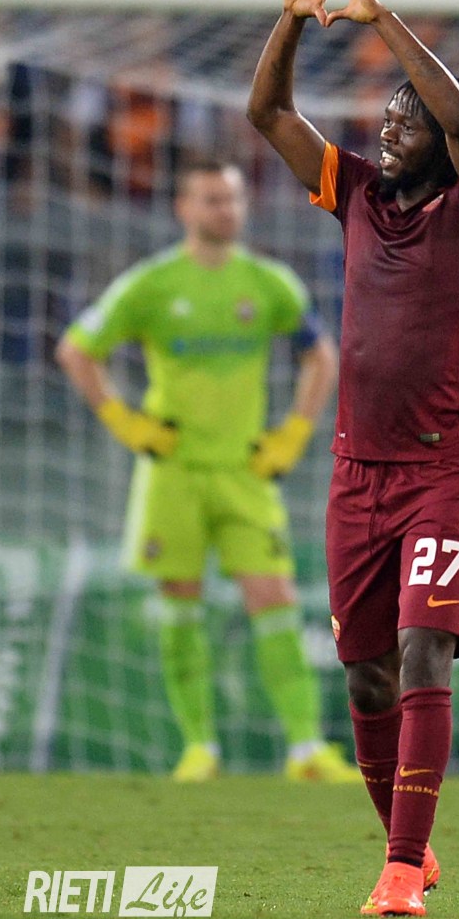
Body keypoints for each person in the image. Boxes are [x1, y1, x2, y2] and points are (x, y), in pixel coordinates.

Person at [248, 0, 459, 916]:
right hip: (355, 477)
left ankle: (401, 872)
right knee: (366, 680)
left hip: (443, 476)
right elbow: (269, 115)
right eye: (387, 116)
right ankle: (414, 850)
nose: (390, 127)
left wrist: (379, 18)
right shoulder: (356, 192)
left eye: (408, 118)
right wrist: (292, 17)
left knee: (422, 652)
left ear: (445, 141)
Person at [56, 158, 360, 784]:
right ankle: (199, 748)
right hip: (173, 472)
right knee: (179, 605)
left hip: (246, 471)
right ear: (184, 208)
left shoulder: (269, 283)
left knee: (274, 598)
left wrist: (294, 432)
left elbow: (321, 357)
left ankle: (305, 749)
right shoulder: (151, 284)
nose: (226, 210)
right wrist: (126, 423)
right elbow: (76, 350)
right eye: (212, 200)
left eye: (233, 199)